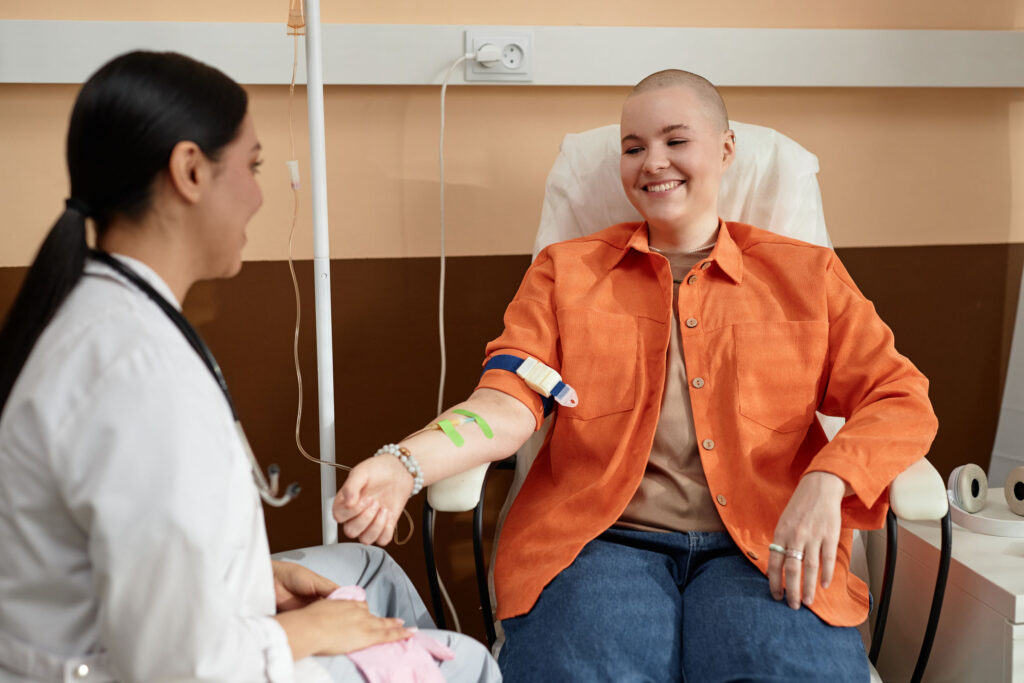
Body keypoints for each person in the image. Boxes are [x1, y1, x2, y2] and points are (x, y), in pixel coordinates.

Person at [334, 69, 938, 682]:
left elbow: (899, 396)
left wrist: (829, 480)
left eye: (676, 142)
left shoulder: (806, 277)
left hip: (764, 545)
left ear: (726, 151)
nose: (653, 163)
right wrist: (403, 464)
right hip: (600, 544)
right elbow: (506, 402)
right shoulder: (564, 274)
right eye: (633, 148)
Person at [0, 51, 500, 683]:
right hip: (153, 666)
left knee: (369, 572)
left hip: (130, 626)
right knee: (469, 664)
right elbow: (175, 664)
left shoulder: (109, 311)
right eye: (253, 165)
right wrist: (299, 631)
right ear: (189, 171)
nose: (261, 195)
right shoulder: (140, 375)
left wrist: (255, 578)